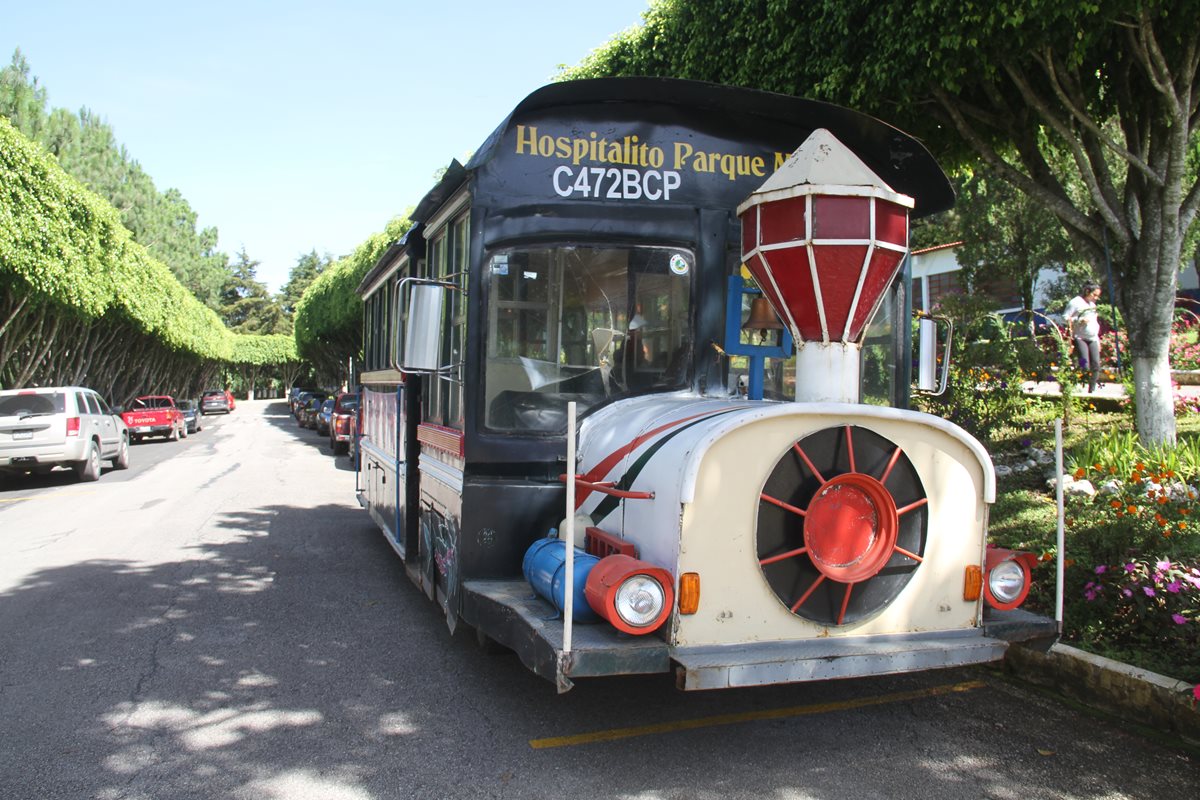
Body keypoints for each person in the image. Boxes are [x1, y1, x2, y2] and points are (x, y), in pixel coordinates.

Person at [1064, 281, 1102, 393]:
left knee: (1096, 364)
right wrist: (1078, 320)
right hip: (1080, 337)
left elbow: (1095, 323)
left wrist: (1098, 339)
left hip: (1092, 337)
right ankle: (1079, 383)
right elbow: (1065, 317)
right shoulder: (1075, 302)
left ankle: (1092, 389)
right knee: (1084, 364)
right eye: (1094, 295)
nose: (1095, 298)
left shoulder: (1092, 305)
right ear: (1087, 291)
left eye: (1097, 296)